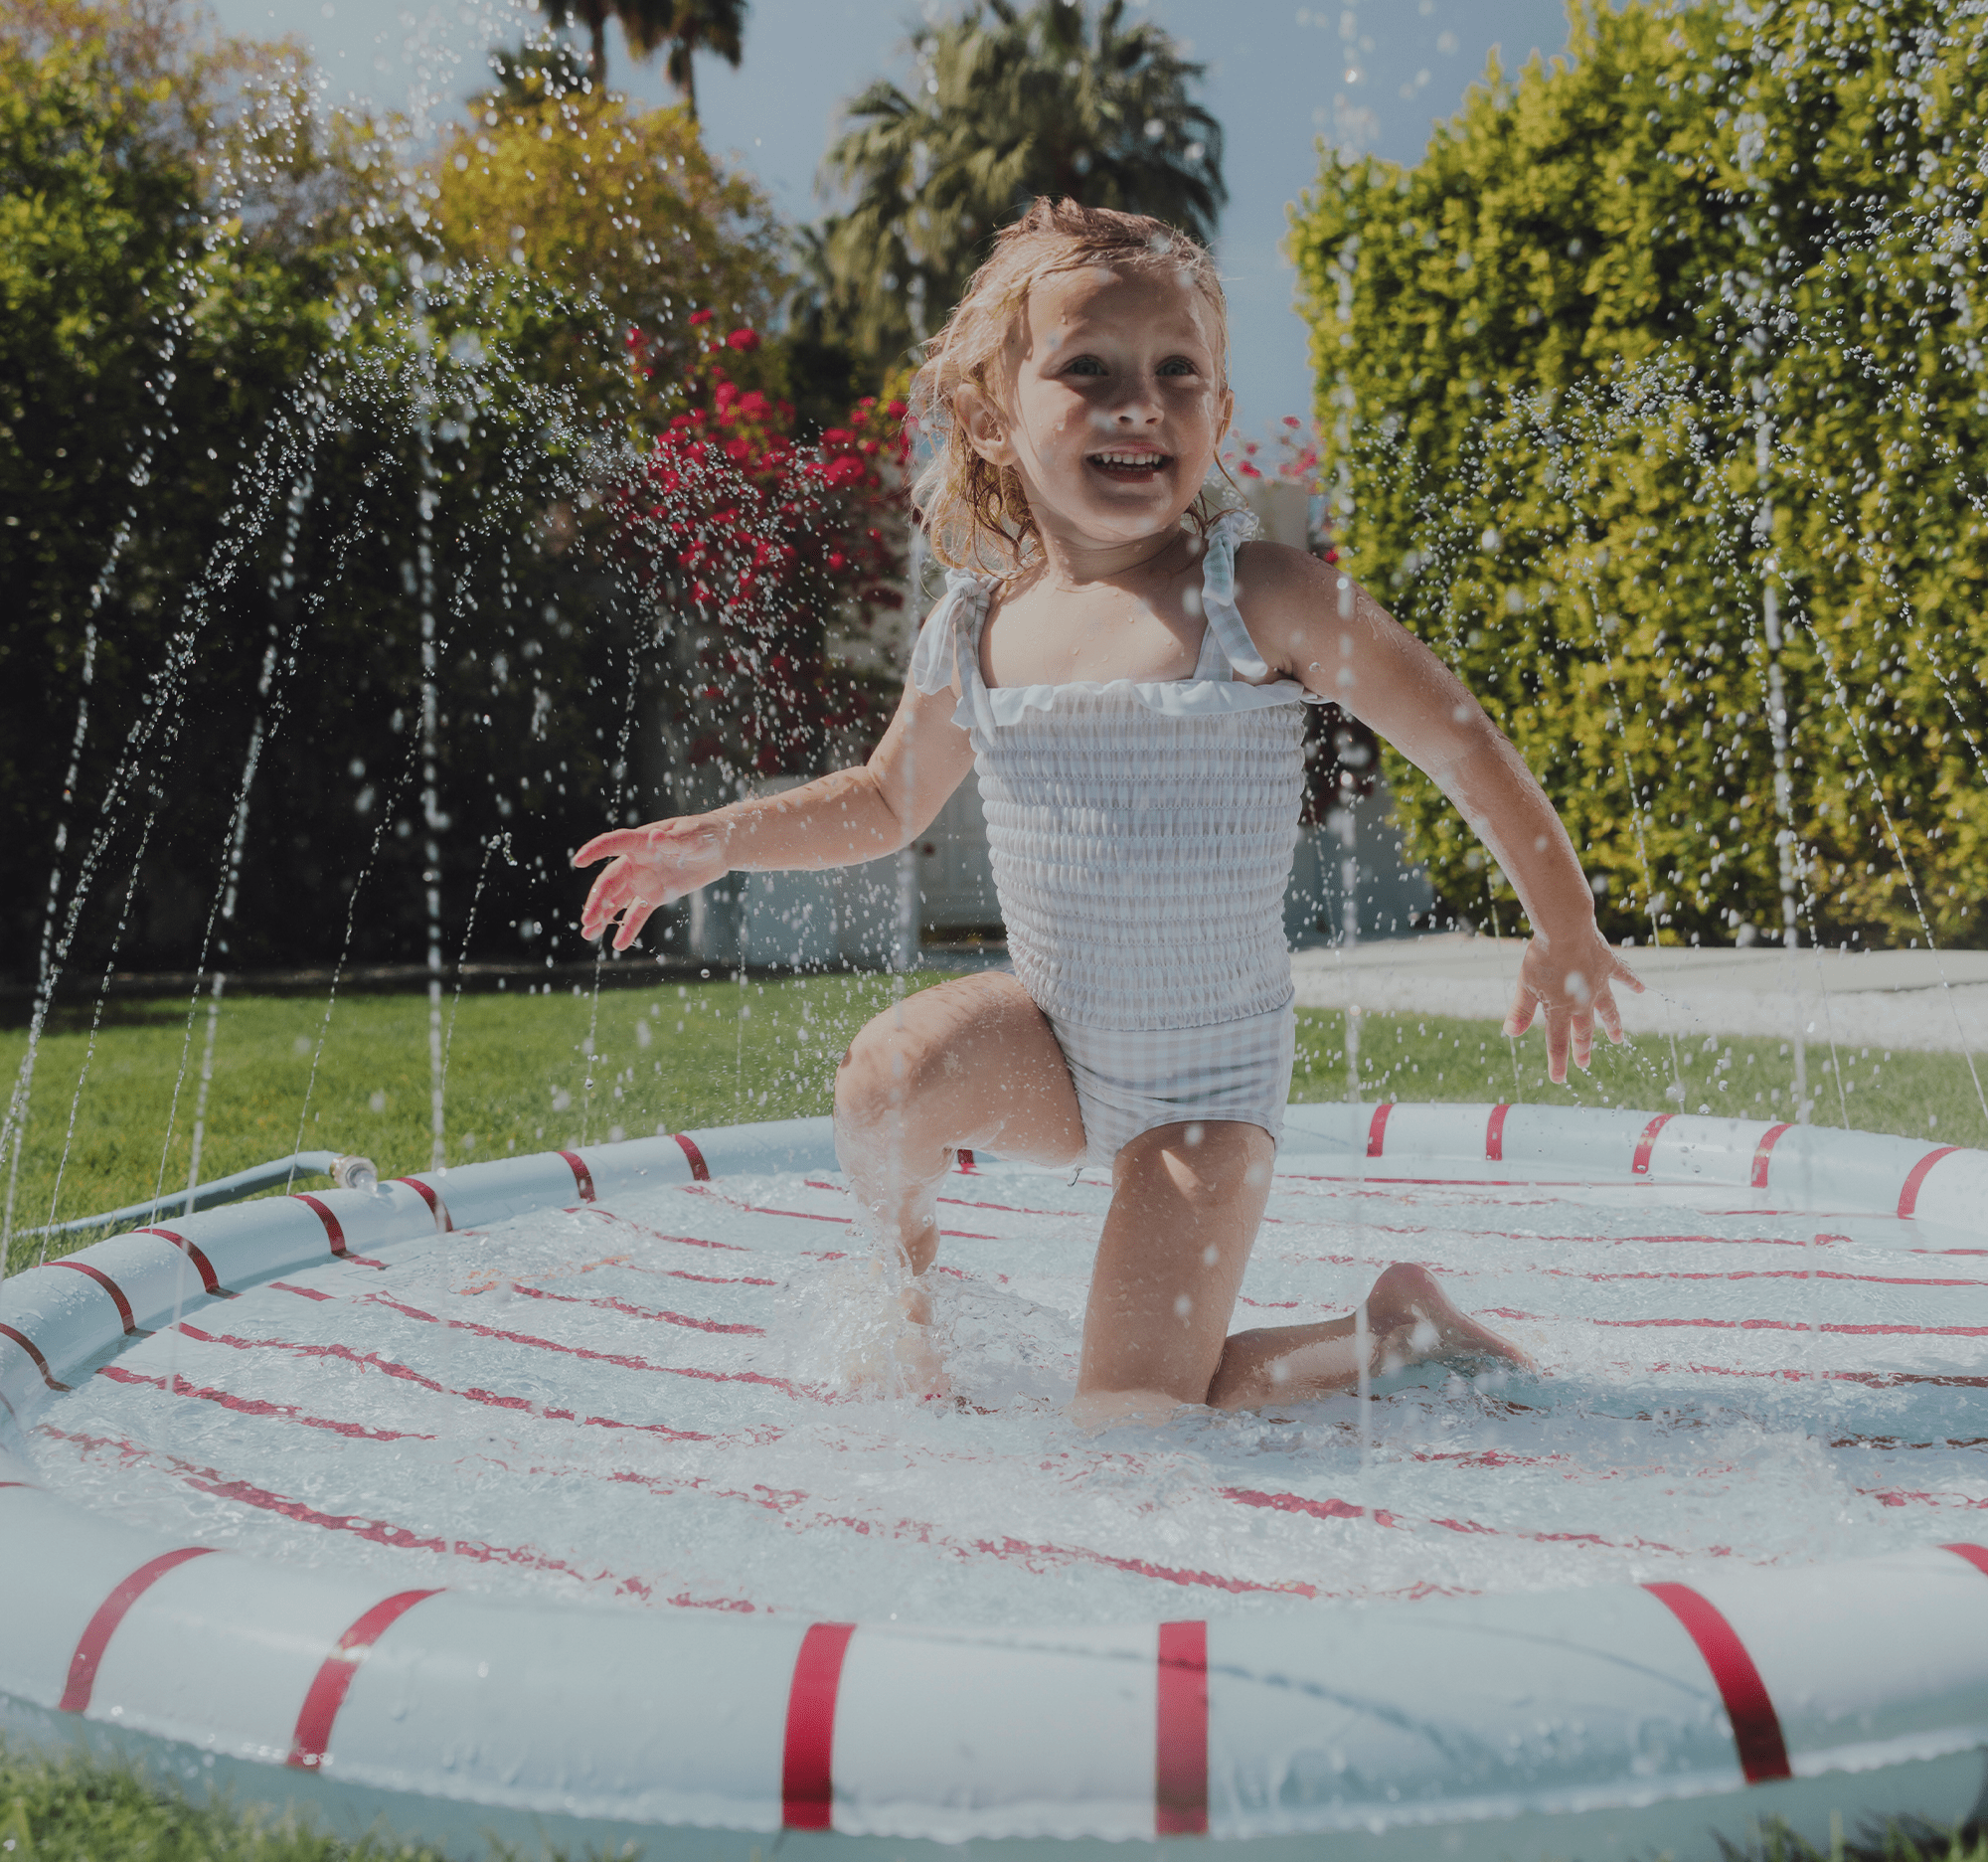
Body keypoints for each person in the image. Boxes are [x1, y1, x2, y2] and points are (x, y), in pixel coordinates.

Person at [576, 198, 1641, 1422]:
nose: (1140, 402)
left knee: (1136, 1422)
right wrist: (720, 837)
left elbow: (1460, 739)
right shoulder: (973, 621)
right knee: (885, 1076)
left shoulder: (1257, 596)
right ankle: (902, 1316)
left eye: (1176, 372)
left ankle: (1389, 1331)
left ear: (1219, 413)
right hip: (1050, 1044)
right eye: (1088, 369)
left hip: (1205, 1088)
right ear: (991, 411)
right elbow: (882, 799)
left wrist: (1560, 924)